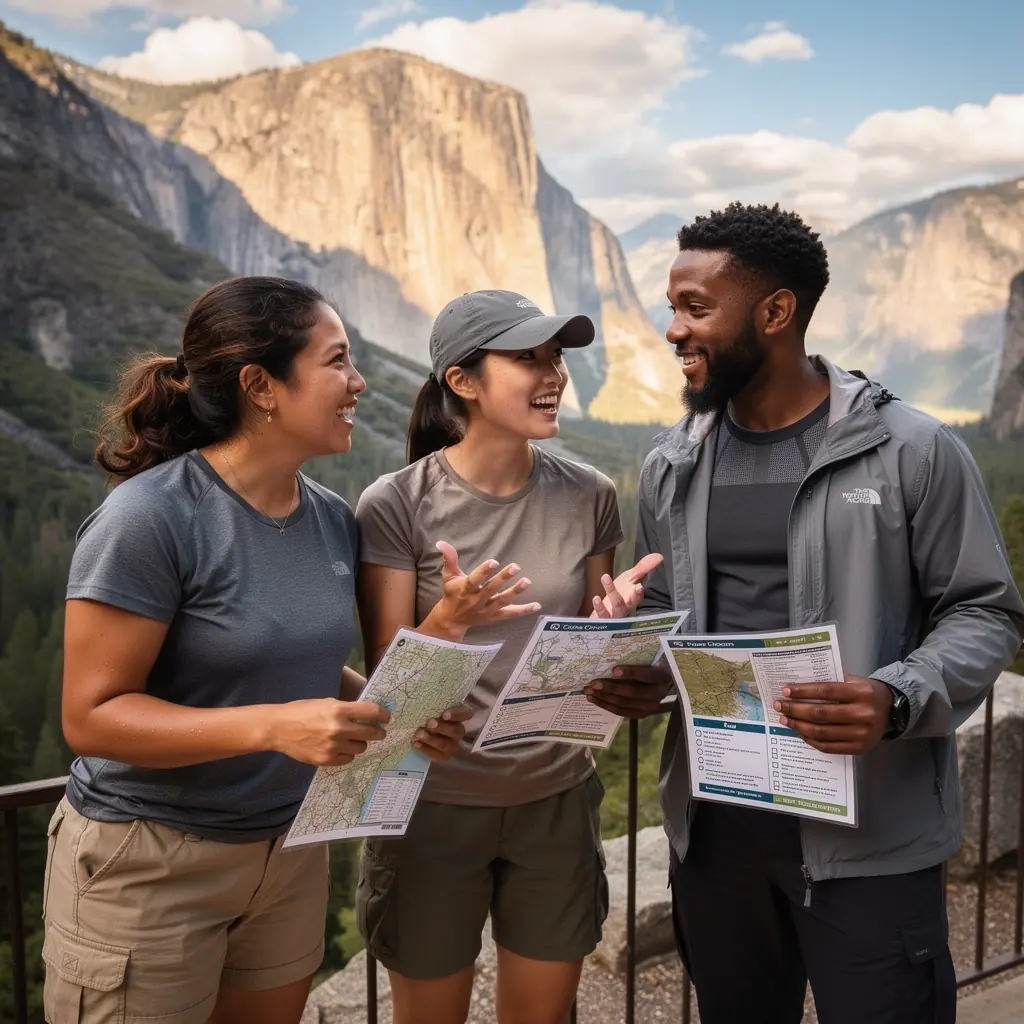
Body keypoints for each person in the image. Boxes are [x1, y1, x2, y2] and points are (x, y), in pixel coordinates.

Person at [584, 203, 1024, 1024]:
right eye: (671, 307)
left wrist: (897, 696)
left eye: (695, 308)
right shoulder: (671, 464)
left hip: (868, 844)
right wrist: (641, 668)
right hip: (715, 842)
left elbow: (985, 611)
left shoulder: (913, 450)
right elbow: (674, 618)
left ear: (776, 312)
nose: (673, 329)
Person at [42, 276, 471, 1024]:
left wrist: (388, 712)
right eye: (337, 361)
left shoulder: (332, 519)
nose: (358, 382)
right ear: (260, 386)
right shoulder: (148, 518)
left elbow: (301, 671)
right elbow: (93, 718)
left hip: (287, 857)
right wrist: (275, 727)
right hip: (148, 863)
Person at [354, 288, 662, 1024]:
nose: (554, 374)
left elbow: (592, 652)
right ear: (462, 381)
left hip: (556, 799)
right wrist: (448, 620)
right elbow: (386, 698)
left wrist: (614, 626)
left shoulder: (588, 495)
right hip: (431, 805)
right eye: (528, 358)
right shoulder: (394, 505)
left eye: (556, 357)